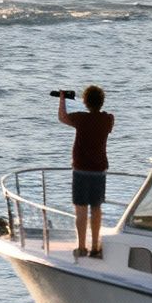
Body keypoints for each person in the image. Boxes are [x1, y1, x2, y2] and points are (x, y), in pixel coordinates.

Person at [58, 86, 113, 259]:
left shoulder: (80, 119)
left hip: (81, 170)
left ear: (85, 102)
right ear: (102, 101)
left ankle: (81, 247)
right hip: (99, 170)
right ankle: (95, 247)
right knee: (96, 209)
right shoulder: (108, 119)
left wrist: (62, 99)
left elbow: (63, 118)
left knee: (80, 210)